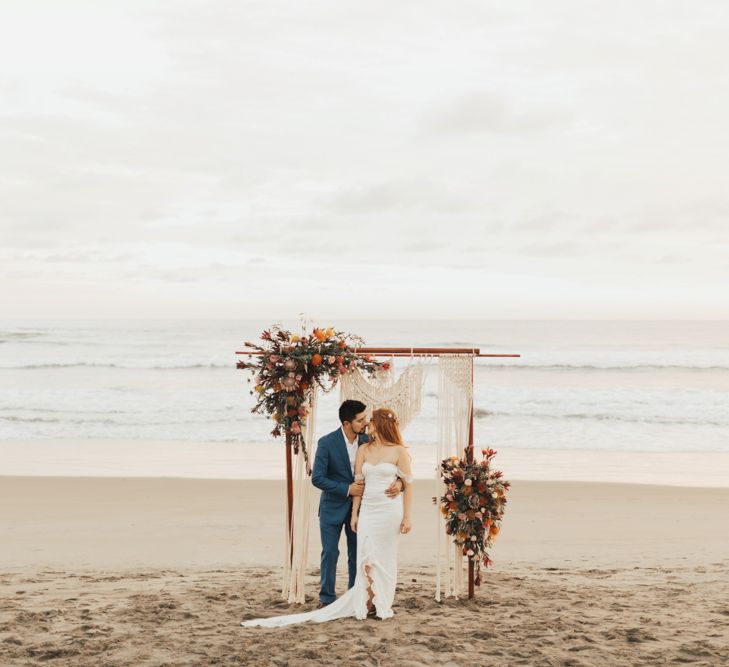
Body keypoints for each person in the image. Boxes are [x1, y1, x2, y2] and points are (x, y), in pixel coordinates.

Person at [241, 406, 413, 627]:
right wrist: (348, 496)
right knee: (333, 552)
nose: (365, 424)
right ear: (347, 423)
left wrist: (399, 486)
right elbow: (319, 478)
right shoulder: (330, 442)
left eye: (367, 420)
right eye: (360, 420)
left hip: (380, 510)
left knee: (363, 557)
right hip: (339, 507)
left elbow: (404, 477)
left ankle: (367, 599)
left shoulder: (375, 444)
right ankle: (328, 598)